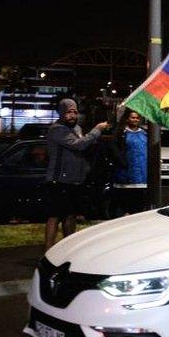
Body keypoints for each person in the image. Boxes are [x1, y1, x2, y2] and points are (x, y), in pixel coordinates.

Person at [44, 98, 109, 250]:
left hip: (75, 180)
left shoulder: (77, 128)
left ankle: (68, 248)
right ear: (61, 113)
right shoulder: (57, 129)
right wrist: (97, 129)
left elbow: (85, 145)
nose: (72, 115)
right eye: (68, 112)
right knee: (55, 216)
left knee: (71, 214)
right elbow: (78, 145)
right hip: (58, 180)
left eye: (75, 112)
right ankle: (48, 250)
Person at [108, 109, 148, 217]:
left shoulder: (144, 133)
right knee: (125, 204)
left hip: (141, 176)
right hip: (125, 175)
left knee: (138, 205)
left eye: (137, 118)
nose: (135, 120)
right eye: (133, 117)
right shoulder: (121, 132)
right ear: (127, 119)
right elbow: (113, 147)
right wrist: (122, 161)